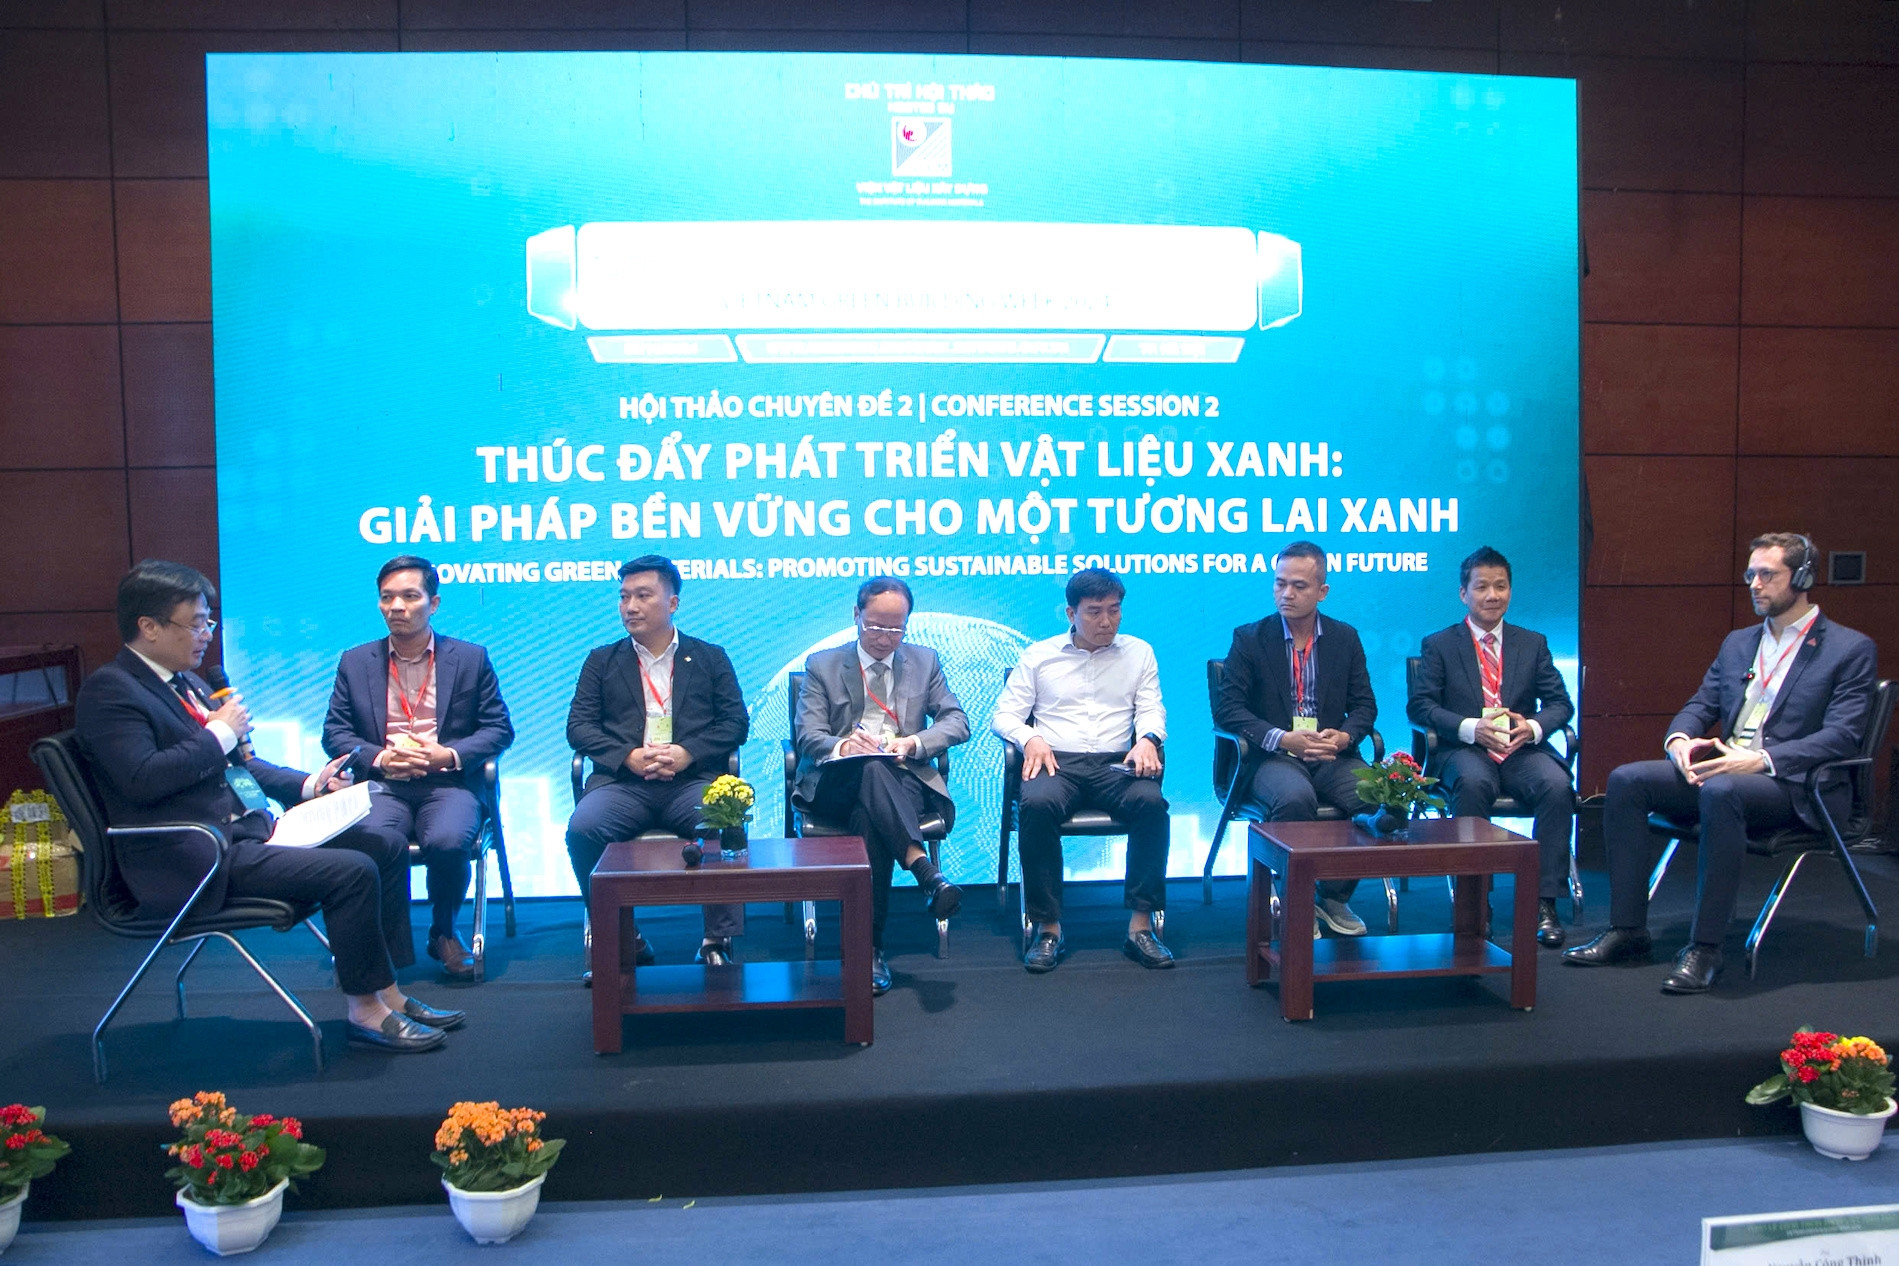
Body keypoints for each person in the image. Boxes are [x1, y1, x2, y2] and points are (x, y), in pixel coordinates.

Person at [74, 560, 463, 1053]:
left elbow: (240, 768)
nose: (207, 635)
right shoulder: (111, 691)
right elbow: (143, 779)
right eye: (196, 624)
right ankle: (365, 1012)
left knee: (383, 843)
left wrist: (312, 787)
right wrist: (220, 733)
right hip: (194, 857)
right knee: (351, 871)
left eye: (209, 622)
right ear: (149, 627)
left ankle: (388, 994)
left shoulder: (184, 683)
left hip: (247, 836)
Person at [1564, 533, 1878, 993]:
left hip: (1796, 785)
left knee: (1721, 789)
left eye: (1767, 574)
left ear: (1804, 578)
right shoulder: (1739, 643)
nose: (1754, 584)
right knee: (1628, 780)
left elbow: (1842, 736)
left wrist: (1762, 760)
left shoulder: (1848, 649)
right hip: (1726, 771)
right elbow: (1701, 704)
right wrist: (1679, 740)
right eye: (1750, 574)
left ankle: (1705, 948)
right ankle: (1627, 930)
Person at [322, 555, 515, 980]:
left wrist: (447, 755)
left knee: (447, 841)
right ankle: (381, 943)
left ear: (434, 603)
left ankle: (443, 932)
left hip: (448, 783)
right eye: (387, 597)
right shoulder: (356, 661)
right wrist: (380, 758)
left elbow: (499, 729)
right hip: (383, 784)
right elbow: (335, 733)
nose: (397, 607)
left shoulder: (469, 658)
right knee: (373, 841)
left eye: (410, 596)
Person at [566, 555, 749, 974]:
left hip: (690, 782)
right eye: (624, 597)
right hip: (623, 784)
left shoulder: (710, 658)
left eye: (642, 596)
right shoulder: (602, 661)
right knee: (584, 829)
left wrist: (688, 752)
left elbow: (735, 723)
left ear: (673, 603)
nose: (630, 606)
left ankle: (717, 940)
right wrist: (627, 757)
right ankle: (620, 937)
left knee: (723, 819)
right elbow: (579, 728)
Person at [991, 568, 1173, 973]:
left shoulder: (1139, 652)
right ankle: (1048, 928)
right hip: (1057, 761)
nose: (1106, 621)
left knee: (1151, 805)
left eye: (1114, 610)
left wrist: (1148, 738)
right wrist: (1030, 738)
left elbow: (1151, 708)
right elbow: (1003, 716)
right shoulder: (1039, 656)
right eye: (1094, 612)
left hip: (1116, 763)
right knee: (1037, 805)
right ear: (1071, 613)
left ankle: (1141, 927)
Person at [793, 577, 968, 996]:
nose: (885, 638)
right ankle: (923, 870)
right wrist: (844, 745)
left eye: (896, 629)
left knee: (870, 814)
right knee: (869, 767)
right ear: (856, 615)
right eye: (875, 626)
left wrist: (915, 742)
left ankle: (867, 949)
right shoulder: (823, 665)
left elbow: (957, 721)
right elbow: (807, 735)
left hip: (902, 780)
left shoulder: (924, 661)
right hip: (836, 783)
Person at [1407, 546, 1576, 948]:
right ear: (1463, 593)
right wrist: (1470, 728)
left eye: (1500, 587)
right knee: (1473, 783)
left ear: (1510, 592)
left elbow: (1561, 704)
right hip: (1464, 749)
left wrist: (1532, 727)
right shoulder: (1440, 645)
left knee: (1556, 786)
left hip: (1520, 750)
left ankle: (1545, 903)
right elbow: (1421, 706)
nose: (1492, 595)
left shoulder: (1532, 644)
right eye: (1481, 587)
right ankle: (1475, 903)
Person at [1213, 541, 1379, 939]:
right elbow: (1229, 710)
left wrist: (1345, 736)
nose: (1286, 593)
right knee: (1294, 797)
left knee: (1373, 795)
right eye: (1280, 583)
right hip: (1270, 757)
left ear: (1322, 591)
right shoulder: (1250, 638)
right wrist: (1283, 738)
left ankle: (1333, 896)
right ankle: (1294, 901)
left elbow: (1365, 706)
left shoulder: (1345, 638)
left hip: (1330, 755)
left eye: (1299, 586)